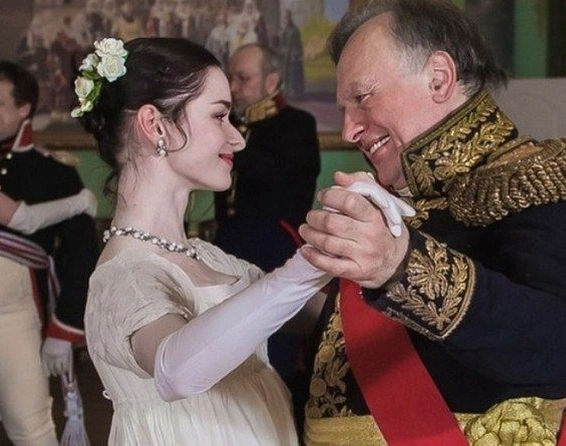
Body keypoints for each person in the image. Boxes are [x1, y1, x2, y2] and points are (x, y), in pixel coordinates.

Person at [298, 0, 566, 444]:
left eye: (362, 98)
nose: (349, 131)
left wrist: (402, 267)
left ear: (439, 78)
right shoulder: (395, 193)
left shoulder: (537, 178)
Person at [75, 37, 409, 445]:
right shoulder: (124, 276)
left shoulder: (217, 261)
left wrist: (367, 223)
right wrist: (306, 263)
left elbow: (337, 318)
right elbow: (176, 370)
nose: (238, 139)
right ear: (155, 125)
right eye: (219, 116)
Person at [213, 42, 320, 431]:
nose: (233, 86)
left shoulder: (297, 124)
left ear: (271, 82)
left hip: (275, 250)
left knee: (274, 357)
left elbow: (277, 181)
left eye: (243, 78)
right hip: (227, 247)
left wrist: (231, 138)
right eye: (231, 77)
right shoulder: (234, 124)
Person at [0, 60, 99, 445]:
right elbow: (22, 219)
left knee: (31, 429)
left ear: (24, 108)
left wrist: (64, 326)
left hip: (12, 317)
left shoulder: (53, 171)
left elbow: (81, 255)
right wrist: (80, 202)